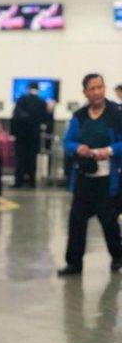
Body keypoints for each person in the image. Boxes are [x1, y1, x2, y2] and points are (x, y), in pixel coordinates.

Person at [58, 74, 122, 277]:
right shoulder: (79, 116)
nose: (97, 92)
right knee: (76, 221)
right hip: (84, 177)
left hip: (108, 179)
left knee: (109, 221)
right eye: (92, 88)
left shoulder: (116, 114)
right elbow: (67, 142)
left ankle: (118, 258)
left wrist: (110, 150)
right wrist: (78, 148)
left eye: (100, 87)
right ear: (85, 92)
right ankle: (74, 263)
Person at [11, 81, 49, 188]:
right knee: (32, 158)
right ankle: (31, 181)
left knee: (20, 158)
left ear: (28, 88)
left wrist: (13, 132)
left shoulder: (21, 99)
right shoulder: (42, 102)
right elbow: (45, 119)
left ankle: (18, 181)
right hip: (35, 134)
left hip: (21, 135)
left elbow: (15, 116)